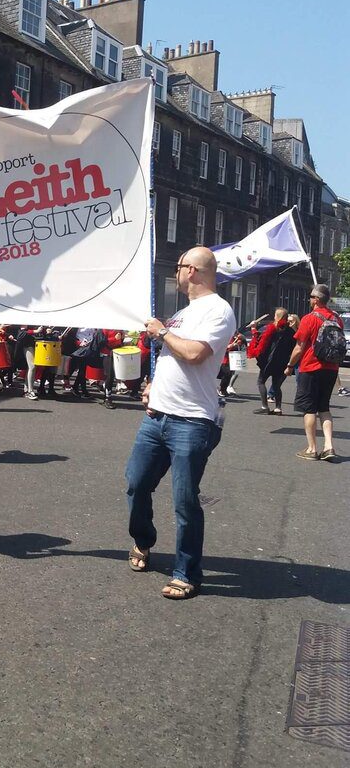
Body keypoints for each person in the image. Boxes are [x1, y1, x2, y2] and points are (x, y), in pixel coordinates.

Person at [124, 247, 235, 601]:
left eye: (180, 266)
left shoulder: (219, 310)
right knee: (136, 484)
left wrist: (159, 332)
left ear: (195, 271)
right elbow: (174, 359)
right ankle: (143, 540)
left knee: (185, 501)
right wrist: (153, 385)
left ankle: (186, 573)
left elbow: (195, 353)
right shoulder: (185, 312)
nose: (176, 272)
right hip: (157, 416)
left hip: (192, 421)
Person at [285, 284, 344, 462]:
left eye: (311, 296)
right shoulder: (337, 319)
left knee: (309, 409)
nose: (309, 299)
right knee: (324, 407)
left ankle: (312, 449)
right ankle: (329, 446)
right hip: (332, 368)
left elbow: (299, 347)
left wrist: (289, 365)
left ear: (317, 299)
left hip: (312, 367)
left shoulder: (309, 318)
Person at [249, 309, 294, 416]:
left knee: (261, 382)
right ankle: (278, 408)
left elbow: (261, 342)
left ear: (277, 317)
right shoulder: (290, 331)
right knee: (276, 385)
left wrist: (254, 329)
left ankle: (264, 406)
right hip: (282, 362)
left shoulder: (272, 329)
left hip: (269, 362)